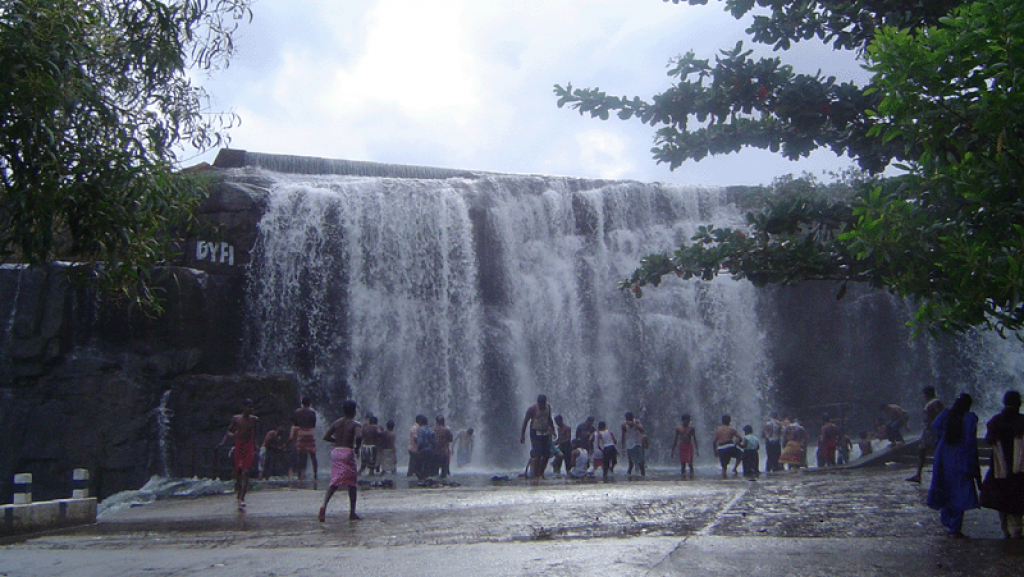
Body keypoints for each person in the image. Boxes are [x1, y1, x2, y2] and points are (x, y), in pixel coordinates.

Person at [926, 393, 981, 539]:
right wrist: (974, 465)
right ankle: (955, 527)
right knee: (960, 492)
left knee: (945, 487)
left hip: (944, 456)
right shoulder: (970, 418)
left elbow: (935, 425)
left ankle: (946, 519)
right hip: (961, 457)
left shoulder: (946, 414)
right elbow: (971, 442)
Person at [979, 391, 1024, 539]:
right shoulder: (1022, 421)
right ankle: (1015, 532)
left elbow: (989, 439)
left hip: (1000, 469)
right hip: (1020, 470)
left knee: (1002, 502)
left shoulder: (995, 421)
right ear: (1019, 404)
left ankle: (1006, 531)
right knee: (1018, 502)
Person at [318, 399, 362, 522]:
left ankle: (324, 505)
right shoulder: (355, 424)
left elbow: (326, 436)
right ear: (354, 411)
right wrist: (357, 448)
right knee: (352, 483)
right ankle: (352, 512)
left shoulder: (336, 423)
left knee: (335, 481)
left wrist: (336, 441)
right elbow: (359, 436)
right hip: (347, 452)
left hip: (336, 452)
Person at [223, 399, 259, 509]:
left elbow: (253, 433)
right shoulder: (236, 419)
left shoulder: (254, 420)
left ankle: (243, 497)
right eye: (249, 407)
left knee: (246, 471)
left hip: (249, 446)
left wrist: (256, 445)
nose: (251, 409)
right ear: (243, 407)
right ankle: (239, 492)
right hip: (239, 445)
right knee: (238, 472)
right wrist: (231, 436)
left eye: (252, 407)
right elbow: (228, 431)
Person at [907, 386, 946, 483]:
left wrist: (937, 426)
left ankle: (922, 474)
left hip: (932, 431)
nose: (923, 396)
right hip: (929, 430)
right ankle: (918, 474)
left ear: (927, 394)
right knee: (922, 451)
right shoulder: (932, 402)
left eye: (924, 394)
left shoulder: (935, 402)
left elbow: (940, 415)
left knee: (932, 450)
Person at [520, 394, 555, 479]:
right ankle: (536, 475)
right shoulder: (532, 409)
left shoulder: (548, 407)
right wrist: (522, 435)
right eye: (541, 404)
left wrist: (553, 430)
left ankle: (541, 473)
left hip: (546, 432)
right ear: (538, 403)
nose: (542, 405)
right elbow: (525, 421)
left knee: (547, 454)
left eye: (543, 403)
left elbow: (549, 419)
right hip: (535, 433)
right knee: (537, 454)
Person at [292, 397, 318, 488]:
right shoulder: (312, 412)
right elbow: (314, 424)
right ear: (309, 403)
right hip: (310, 432)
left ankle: (299, 476)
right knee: (313, 455)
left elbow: (295, 424)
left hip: (301, 432)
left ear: (302, 403)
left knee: (299, 455)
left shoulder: (297, 412)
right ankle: (315, 476)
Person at [712, 414, 744, 479]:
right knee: (741, 455)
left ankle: (724, 479)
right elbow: (740, 438)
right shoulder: (732, 429)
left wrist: (715, 451)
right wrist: (736, 443)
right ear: (730, 421)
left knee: (724, 466)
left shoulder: (718, 430)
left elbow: (714, 442)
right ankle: (735, 468)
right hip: (729, 446)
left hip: (721, 448)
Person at [671, 413, 699, 479]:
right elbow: (676, 439)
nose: (686, 422)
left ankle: (692, 477)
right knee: (683, 464)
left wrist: (697, 450)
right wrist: (673, 451)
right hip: (682, 446)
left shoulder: (691, 428)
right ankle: (683, 478)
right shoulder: (678, 428)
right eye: (685, 421)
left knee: (690, 463)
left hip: (689, 446)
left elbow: (694, 439)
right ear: (683, 420)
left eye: (688, 421)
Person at [621, 412, 646, 478]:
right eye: (627, 419)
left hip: (637, 444)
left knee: (641, 463)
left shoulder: (637, 422)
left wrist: (635, 425)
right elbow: (623, 437)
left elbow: (642, 431)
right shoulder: (624, 425)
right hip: (629, 445)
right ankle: (629, 476)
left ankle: (643, 476)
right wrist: (623, 448)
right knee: (631, 464)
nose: (628, 420)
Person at [414, 415, 436, 480]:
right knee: (428, 465)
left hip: (423, 450)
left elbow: (420, 442)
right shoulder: (431, 430)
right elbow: (434, 442)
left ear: (421, 422)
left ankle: (421, 479)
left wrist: (417, 450)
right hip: (430, 450)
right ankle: (427, 478)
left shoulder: (421, 430)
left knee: (418, 466)